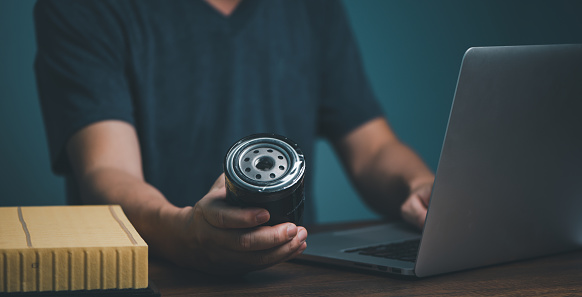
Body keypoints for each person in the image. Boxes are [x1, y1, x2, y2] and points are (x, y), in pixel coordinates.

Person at [34, 0, 435, 274]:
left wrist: (424, 188)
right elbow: (108, 172)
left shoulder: (313, 7)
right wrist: (186, 235)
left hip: (293, 274)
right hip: (153, 277)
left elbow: (373, 148)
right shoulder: (82, 9)